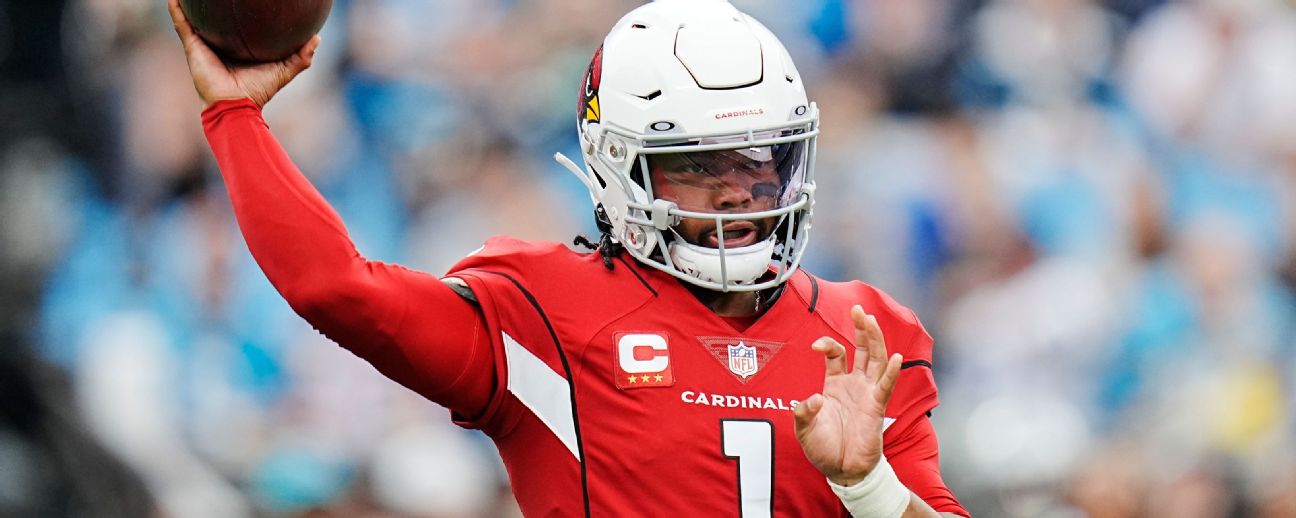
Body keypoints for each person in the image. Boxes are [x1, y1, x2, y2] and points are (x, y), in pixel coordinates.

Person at [168, 0, 969, 515]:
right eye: (697, 166)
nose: (738, 194)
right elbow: (334, 288)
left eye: (760, 161)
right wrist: (236, 116)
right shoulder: (544, 310)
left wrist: (869, 487)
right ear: (621, 169)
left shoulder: (863, 336)